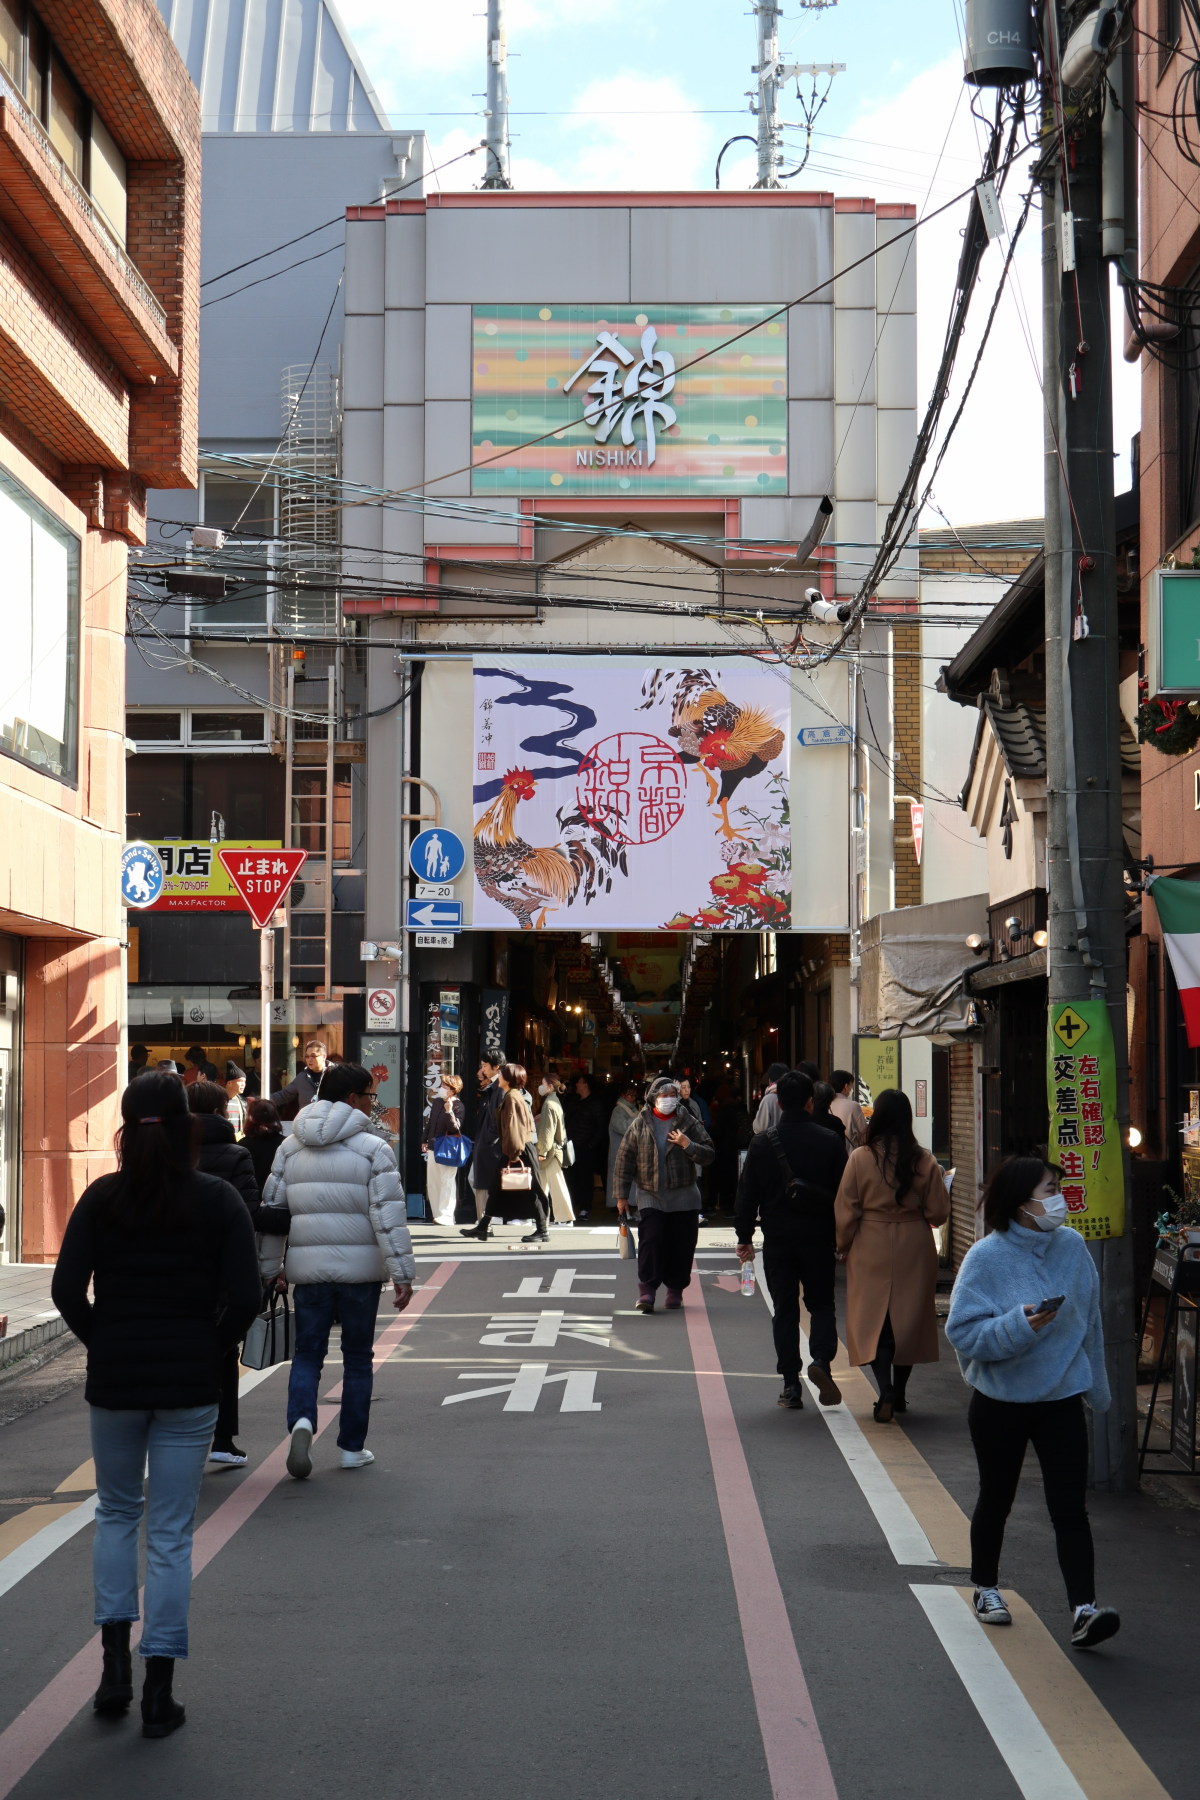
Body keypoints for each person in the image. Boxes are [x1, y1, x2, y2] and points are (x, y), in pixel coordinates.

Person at [50, 1071, 261, 1738]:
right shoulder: (217, 1199)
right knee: (169, 1536)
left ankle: (113, 1672)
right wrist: (209, 1349)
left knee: (115, 1514)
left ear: (124, 1128)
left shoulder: (103, 1197)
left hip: (115, 1381)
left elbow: (63, 1290)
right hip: (187, 1387)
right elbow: (247, 1295)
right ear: (185, 1128)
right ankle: (158, 1692)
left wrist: (103, 1341)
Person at [946, 1157, 1119, 1647]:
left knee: (1070, 1508)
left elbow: (1091, 1322)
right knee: (996, 1498)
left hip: (1061, 1398)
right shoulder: (985, 1257)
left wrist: (1096, 1387)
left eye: (1058, 1187)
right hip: (1000, 1401)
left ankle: (1083, 1609)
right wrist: (1019, 1325)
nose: (1059, 1197)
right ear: (1023, 1203)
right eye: (1050, 1189)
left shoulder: (1073, 1248)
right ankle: (984, 1587)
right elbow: (962, 1331)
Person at [259, 1063, 415, 1478]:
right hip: (360, 1274)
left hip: (308, 1272)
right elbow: (388, 1216)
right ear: (352, 1099)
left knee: (307, 1354)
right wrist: (402, 1273)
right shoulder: (373, 1148)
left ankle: (304, 1422)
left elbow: (274, 1215)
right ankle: (350, 1448)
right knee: (358, 1358)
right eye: (369, 1096)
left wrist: (271, 1268)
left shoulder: (290, 1147)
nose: (372, 1103)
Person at [834, 1089, 950, 1422]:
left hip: (870, 1241)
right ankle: (899, 1394)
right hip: (914, 1241)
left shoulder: (860, 1157)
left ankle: (883, 1387)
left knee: (873, 1320)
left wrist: (843, 1245)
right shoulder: (924, 1159)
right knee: (908, 1318)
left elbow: (846, 1208)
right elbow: (938, 1213)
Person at [735, 1070, 847, 1410]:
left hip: (779, 1239)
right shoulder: (829, 1140)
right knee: (822, 1304)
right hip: (818, 1237)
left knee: (785, 1309)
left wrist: (744, 1236)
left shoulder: (762, 1142)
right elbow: (845, 1194)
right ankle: (822, 1363)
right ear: (811, 1101)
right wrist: (845, 1237)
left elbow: (747, 1194)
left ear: (778, 1102)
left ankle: (790, 1385)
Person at [186, 1081, 261, 1469]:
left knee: (178, 1347)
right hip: (221, 1266)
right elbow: (248, 1212)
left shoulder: (170, 1151)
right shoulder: (237, 1154)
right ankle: (222, 1440)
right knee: (223, 1351)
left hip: (178, 1266)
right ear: (221, 1110)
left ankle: (181, 1435)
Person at [614, 1076, 715, 1313]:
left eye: (673, 1095)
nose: (668, 1100)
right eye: (663, 1096)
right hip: (651, 1194)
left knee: (682, 1245)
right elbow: (624, 1158)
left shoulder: (687, 1121)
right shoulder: (640, 1122)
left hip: (684, 1196)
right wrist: (621, 1195)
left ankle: (675, 1290)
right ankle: (647, 1290)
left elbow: (709, 1153)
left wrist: (687, 1144)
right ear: (653, 1099)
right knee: (651, 1242)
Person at [460, 1063, 550, 1243]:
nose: (498, 1076)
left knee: (531, 1189)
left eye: (502, 1074)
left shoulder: (512, 1098)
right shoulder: (513, 1096)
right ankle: (483, 1227)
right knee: (496, 1188)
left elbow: (514, 1129)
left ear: (508, 1079)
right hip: (515, 1149)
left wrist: (513, 1155)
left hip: (518, 1150)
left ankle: (542, 1230)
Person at [423, 1073, 466, 1227]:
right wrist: (424, 1139)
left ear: (453, 1090)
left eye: (444, 1086)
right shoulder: (436, 1103)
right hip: (433, 1146)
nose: (441, 1088)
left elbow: (455, 1129)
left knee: (447, 1181)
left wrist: (449, 1112)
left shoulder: (458, 1106)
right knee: (433, 1182)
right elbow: (430, 1123)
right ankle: (437, 1214)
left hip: (448, 1148)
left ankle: (447, 1215)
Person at [566, 1073, 607, 1221]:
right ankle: (573, 1205)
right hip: (571, 1146)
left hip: (586, 1147)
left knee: (585, 1178)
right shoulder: (574, 1101)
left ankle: (585, 1208)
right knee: (571, 1177)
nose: (577, 1084)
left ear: (586, 1085)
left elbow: (601, 1127)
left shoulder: (595, 1103)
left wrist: (591, 1145)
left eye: (580, 1082)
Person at [535, 1074, 574, 1225]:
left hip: (550, 1152)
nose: (541, 1086)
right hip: (554, 1151)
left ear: (550, 1086)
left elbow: (547, 1131)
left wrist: (541, 1152)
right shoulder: (554, 1101)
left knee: (556, 1185)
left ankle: (565, 1218)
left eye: (543, 1084)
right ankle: (541, 1216)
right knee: (543, 1185)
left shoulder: (549, 1104)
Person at [468, 1057, 503, 1221]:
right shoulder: (489, 1091)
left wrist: (488, 1139)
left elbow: (497, 1122)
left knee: (484, 1182)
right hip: (484, 1144)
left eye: (484, 1067)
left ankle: (487, 1220)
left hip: (491, 1146)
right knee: (479, 1181)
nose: (482, 1071)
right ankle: (484, 1221)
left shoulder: (500, 1090)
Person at [710, 1083, 753, 1212]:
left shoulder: (724, 1109)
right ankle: (737, 1204)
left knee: (725, 1178)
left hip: (725, 1148)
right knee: (738, 1177)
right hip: (740, 1147)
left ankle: (726, 1205)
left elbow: (717, 1130)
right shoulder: (742, 1108)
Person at [606, 1081, 640, 1209]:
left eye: (634, 1095)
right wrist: (637, 1119)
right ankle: (622, 1207)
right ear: (623, 1095)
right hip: (620, 1151)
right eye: (629, 1095)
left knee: (628, 1180)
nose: (632, 1098)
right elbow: (623, 1127)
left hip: (627, 1151)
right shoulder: (618, 1110)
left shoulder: (632, 1110)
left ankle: (629, 1206)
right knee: (622, 1180)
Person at [243, 1097, 285, 1197]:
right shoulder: (285, 1144)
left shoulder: (242, 1145)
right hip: (278, 1199)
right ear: (275, 1117)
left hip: (249, 1200)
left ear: (251, 1118)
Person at [271, 1040, 328, 1111]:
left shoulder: (335, 1074)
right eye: (307, 1056)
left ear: (324, 1057)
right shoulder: (302, 1077)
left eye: (313, 1056)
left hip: (330, 1120)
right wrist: (259, 1100)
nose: (309, 1060)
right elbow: (283, 1095)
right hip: (307, 1120)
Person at [829, 1070, 868, 1148]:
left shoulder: (825, 1104)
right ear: (846, 1086)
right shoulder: (853, 1106)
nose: (851, 1089)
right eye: (851, 1085)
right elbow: (864, 1134)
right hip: (848, 1155)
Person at [752, 1062, 790, 1134]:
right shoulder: (795, 1095)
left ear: (770, 1080)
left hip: (773, 1143)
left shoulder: (768, 1099)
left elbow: (759, 1128)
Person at [224, 1063, 248, 1137]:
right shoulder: (219, 1101)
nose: (243, 1084)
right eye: (240, 1081)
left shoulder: (243, 1102)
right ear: (229, 1083)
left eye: (244, 1081)